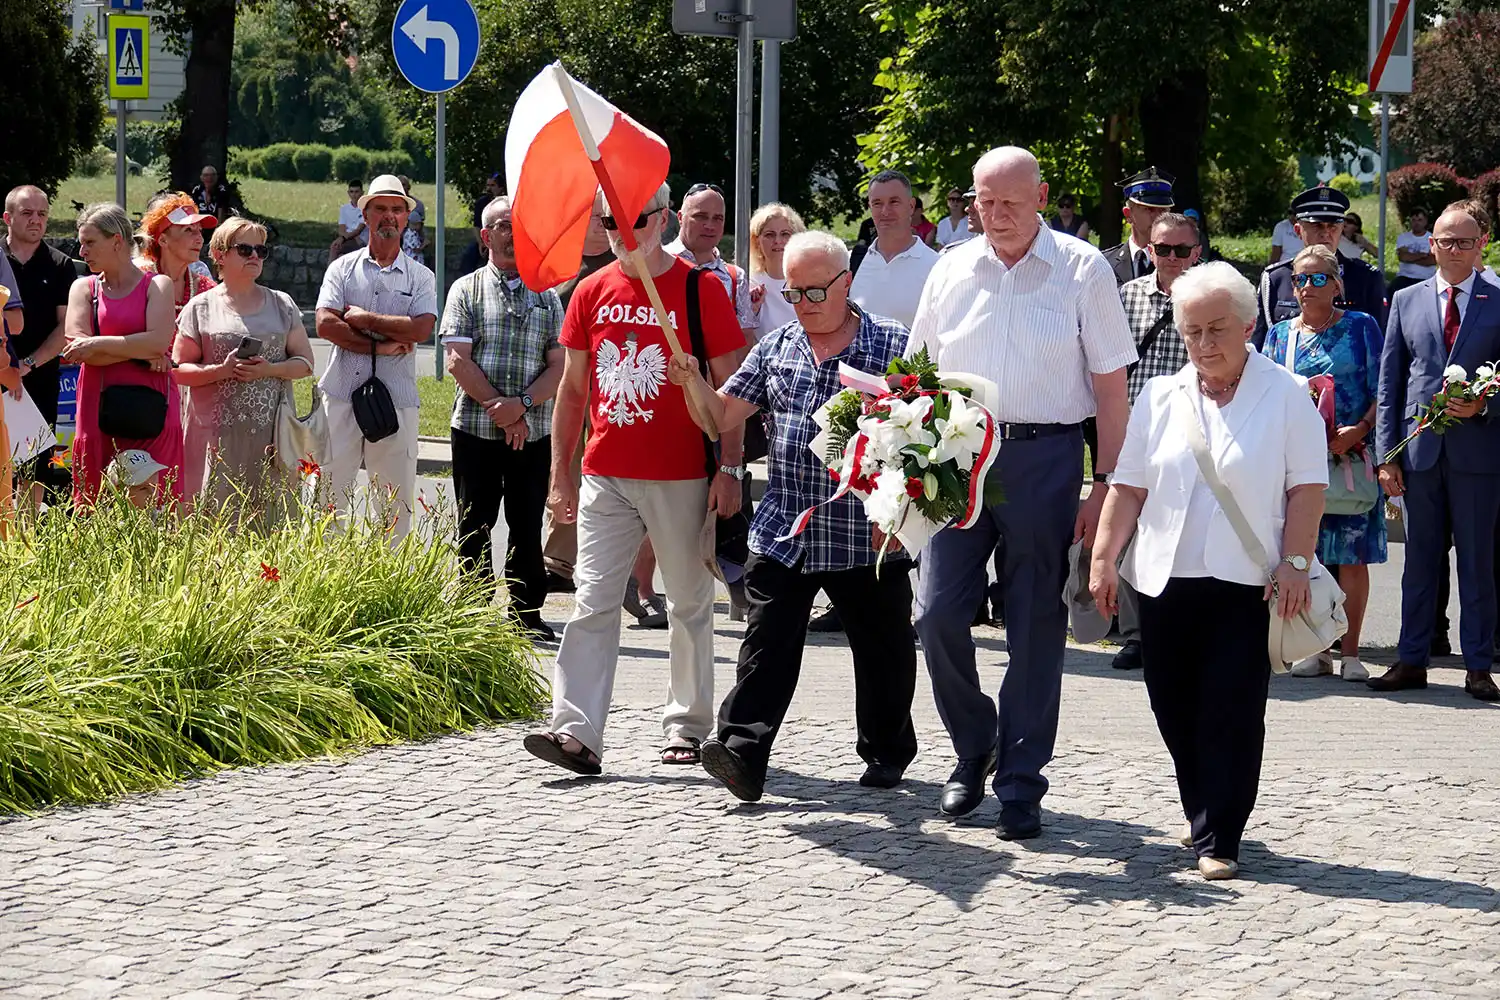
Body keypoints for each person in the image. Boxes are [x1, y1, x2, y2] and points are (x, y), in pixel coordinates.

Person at [908, 146, 1137, 839]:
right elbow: (917, 373)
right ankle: (975, 745)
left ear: (1041, 196)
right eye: (985, 201)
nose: (997, 215)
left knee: (1036, 624)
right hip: (957, 452)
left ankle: (1020, 782)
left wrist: (1105, 486)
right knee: (937, 615)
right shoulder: (949, 268)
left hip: (1047, 456)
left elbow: (1109, 388)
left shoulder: (1082, 268)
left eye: (1010, 201)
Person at [1089, 261, 1329, 881]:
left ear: (1249, 324)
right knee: (1174, 705)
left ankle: (1222, 831)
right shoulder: (1160, 395)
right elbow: (1129, 486)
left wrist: (1297, 561)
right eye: (1192, 331)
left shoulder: (1286, 394)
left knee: (1232, 707)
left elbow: (1306, 488)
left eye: (1218, 328)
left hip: (1249, 582)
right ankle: (1201, 810)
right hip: (1164, 579)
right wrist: (1104, 558)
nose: (1205, 343)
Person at [664, 231, 918, 801]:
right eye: (794, 292)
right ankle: (740, 752)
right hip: (788, 525)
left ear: (846, 285)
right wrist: (691, 382)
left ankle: (886, 750)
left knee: (884, 652)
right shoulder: (777, 346)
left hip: (866, 529)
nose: (802, 304)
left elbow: (921, 440)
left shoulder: (894, 345)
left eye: (814, 292)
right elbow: (721, 414)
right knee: (766, 642)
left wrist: (900, 512)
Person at [523, 182, 745, 774]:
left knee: (689, 602)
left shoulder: (701, 291)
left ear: (664, 217)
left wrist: (729, 467)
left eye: (635, 220)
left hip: (679, 473)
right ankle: (575, 731)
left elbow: (735, 391)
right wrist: (560, 475)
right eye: (609, 222)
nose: (622, 232)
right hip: (606, 472)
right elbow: (572, 392)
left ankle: (688, 725)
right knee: (592, 599)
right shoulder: (591, 290)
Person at [1372, 206, 1500, 702]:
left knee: (1477, 562)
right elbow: (1391, 383)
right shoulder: (1405, 299)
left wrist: (1485, 405)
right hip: (1419, 453)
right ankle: (1411, 660)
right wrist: (1387, 455)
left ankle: (1479, 666)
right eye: (1445, 241)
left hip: (1479, 456)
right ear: (1432, 245)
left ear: (1481, 243)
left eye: (1463, 242)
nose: (1453, 250)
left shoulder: (1496, 299)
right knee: (1420, 562)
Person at [441, 196, 565, 640]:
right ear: (485, 236)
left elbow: (558, 365)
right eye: (502, 226)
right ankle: (472, 616)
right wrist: (502, 409)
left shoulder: (548, 296)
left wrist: (523, 408)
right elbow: (457, 360)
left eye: (519, 226)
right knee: (474, 521)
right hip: (474, 431)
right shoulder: (465, 289)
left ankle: (526, 615)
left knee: (527, 521)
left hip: (533, 432)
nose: (512, 234)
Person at [1262, 245, 1386, 682]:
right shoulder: (1279, 335)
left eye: (1318, 278)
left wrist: (1360, 429)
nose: (1307, 287)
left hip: (1350, 458)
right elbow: (1266, 395)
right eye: (1300, 279)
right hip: (1296, 465)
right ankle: (1314, 647)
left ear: (1337, 284)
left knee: (1351, 557)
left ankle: (1351, 652)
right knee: (1303, 555)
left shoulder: (1361, 327)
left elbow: (1382, 388)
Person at [314, 174, 437, 539]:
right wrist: (380, 345)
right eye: (380, 208)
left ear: (405, 218)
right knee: (328, 499)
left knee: (394, 507)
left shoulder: (421, 277)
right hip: (340, 395)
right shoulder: (342, 268)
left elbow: (420, 330)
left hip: (397, 400)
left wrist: (364, 319)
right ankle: (325, 577)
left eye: (397, 210)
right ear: (364, 215)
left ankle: (388, 584)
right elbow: (325, 324)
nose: (389, 216)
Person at [172, 216, 315, 514]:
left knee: (269, 528)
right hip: (215, 438)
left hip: (270, 438)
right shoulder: (200, 307)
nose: (254, 256)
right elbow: (178, 371)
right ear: (220, 255)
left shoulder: (282, 304)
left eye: (260, 251)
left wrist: (269, 369)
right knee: (212, 528)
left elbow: (305, 364)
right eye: (245, 249)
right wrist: (221, 371)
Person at [1110, 211, 1202, 672]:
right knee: (1129, 534)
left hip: (1193, 433)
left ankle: (1179, 630)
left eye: (1180, 250)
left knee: (1184, 531)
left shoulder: (1209, 299)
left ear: (1197, 253)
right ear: (1149, 250)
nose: (1170, 257)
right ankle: (1136, 634)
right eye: (1162, 248)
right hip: (1134, 431)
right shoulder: (1125, 297)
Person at [61, 203, 183, 505]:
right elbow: (78, 349)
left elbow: (157, 341)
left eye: (90, 242)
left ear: (117, 241)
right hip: (97, 406)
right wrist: (141, 351)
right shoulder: (83, 288)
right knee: (96, 497)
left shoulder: (158, 284)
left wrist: (98, 344)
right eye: (81, 243)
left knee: (157, 503)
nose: (81, 251)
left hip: (153, 407)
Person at [544, 208, 616, 594]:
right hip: (567, 381)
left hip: (613, 385)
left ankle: (610, 565)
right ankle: (558, 562)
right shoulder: (561, 265)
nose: (603, 226)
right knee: (566, 469)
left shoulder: (627, 262)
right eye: (597, 218)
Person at [3, 185, 77, 503]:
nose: (36, 220)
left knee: (37, 469)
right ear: (7, 218)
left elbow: (66, 327)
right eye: (27, 213)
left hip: (40, 379)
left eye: (42, 214)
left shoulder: (60, 264)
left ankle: (31, 543)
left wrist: (28, 363)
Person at [1252, 185, 1385, 350]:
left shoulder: (1365, 278)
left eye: (1332, 227)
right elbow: (1260, 344)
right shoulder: (1276, 279)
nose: (1325, 233)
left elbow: (1380, 345)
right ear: (1298, 230)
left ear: (1341, 230)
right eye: (1317, 226)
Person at [848, 170, 939, 331]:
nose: (885, 211)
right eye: (877, 203)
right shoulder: (852, 262)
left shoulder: (936, 266)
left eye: (894, 202)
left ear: (911, 206)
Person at [137, 193, 218, 318]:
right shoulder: (137, 282)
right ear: (163, 241)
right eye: (188, 230)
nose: (200, 239)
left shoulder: (207, 289)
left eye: (199, 231)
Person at [1102, 167, 1175, 287]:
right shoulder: (1104, 263)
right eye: (1149, 209)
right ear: (1128, 214)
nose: (1158, 217)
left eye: (1163, 210)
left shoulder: (1182, 263)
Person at [747, 202, 805, 341]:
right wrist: (751, 311)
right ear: (756, 241)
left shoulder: (811, 281)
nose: (778, 241)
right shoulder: (747, 284)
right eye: (769, 235)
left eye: (785, 234)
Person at [1390, 207, 1437, 297]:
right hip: (1404, 278)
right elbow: (1403, 257)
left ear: (1425, 221)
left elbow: (1431, 261)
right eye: (1414, 220)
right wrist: (1423, 255)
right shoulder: (1403, 237)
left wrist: (1410, 257)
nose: (1416, 223)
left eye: (1419, 220)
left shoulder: (1432, 238)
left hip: (1426, 279)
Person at [332, 180, 368, 259]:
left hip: (361, 241)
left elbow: (358, 230)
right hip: (348, 238)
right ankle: (330, 270)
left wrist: (343, 238)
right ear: (348, 193)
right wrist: (343, 237)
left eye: (356, 192)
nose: (354, 195)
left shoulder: (366, 209)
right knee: (336, 248)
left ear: (362, 193)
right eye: (351, 192)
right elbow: (341, 229)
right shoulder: (344, 209)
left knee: (336, 247)